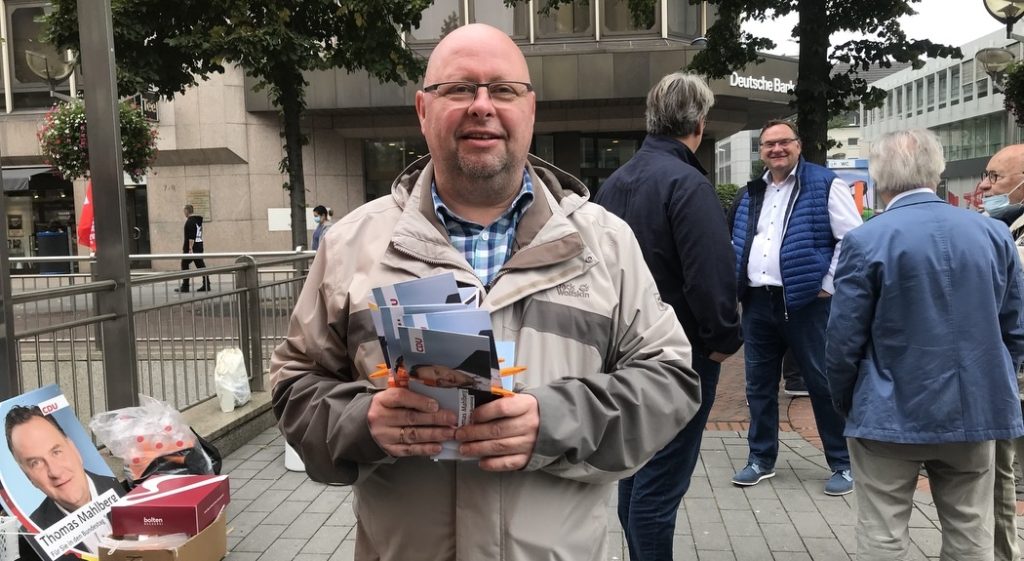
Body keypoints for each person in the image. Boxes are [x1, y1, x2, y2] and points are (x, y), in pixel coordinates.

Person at [270, 23, 701, 561]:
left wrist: (554, 421)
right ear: (423, 111)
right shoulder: (352, 245)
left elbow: (670, 382)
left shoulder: (606, 243)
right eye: (458, 89)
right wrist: (362, 422)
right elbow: (294, 384)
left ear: (530, 109)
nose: (482, 106)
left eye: (502, 89)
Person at [826, 129, 1024, 560]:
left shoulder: (866, 239)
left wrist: (848, 401)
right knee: (971, 532)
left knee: (882, 533)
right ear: (937, 172)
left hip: (886, 408)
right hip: (974, 407)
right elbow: (1014, 330)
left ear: (879, 176)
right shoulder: (994, 235)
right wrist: (994, 382)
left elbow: (843, 340)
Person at [592, 71, 741, 561]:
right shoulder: (688, 184)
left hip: (620, 351)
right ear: (698, 122)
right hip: (680, 355)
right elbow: (710, 276)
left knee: (634, 476)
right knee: (660, 487)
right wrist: (723, 339)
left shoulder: (614, 185)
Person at [730, 119, 861, 495]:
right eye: (769, 144)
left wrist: (827, 284)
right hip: (758, 302)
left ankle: (843, 463)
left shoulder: (824, 184)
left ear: (799, 146)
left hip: (808, 304)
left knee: (823, 384)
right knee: (758, 385)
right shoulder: (753, 192)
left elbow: (852, 240)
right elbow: (738, 240)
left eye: (784, 142)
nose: (777, 149)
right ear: (761, 152)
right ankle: (760, 458)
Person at [978, 143, 1024, 561]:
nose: (984, 185)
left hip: (1011, 377)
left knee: (1001, 477)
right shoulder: (994, 228)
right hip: (1003, 381)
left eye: (997, 177)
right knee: (998, 478)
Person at [5, 405, 124, 558]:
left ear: (74, 449)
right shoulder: (32, 541)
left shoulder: (127, 488)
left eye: (56, 452)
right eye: (36, 463)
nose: (55, 471)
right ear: (28, 477)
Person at [176, 204, 209, 293]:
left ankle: (185, 286)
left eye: (184, 211)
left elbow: (191, 236)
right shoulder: (197, 221)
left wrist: (190, 248)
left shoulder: (190, 222)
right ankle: (206, 284)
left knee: (184, 264)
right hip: (199, 245)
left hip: (192, 247)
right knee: (200, 265)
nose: (184, 213)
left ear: (187, 211)